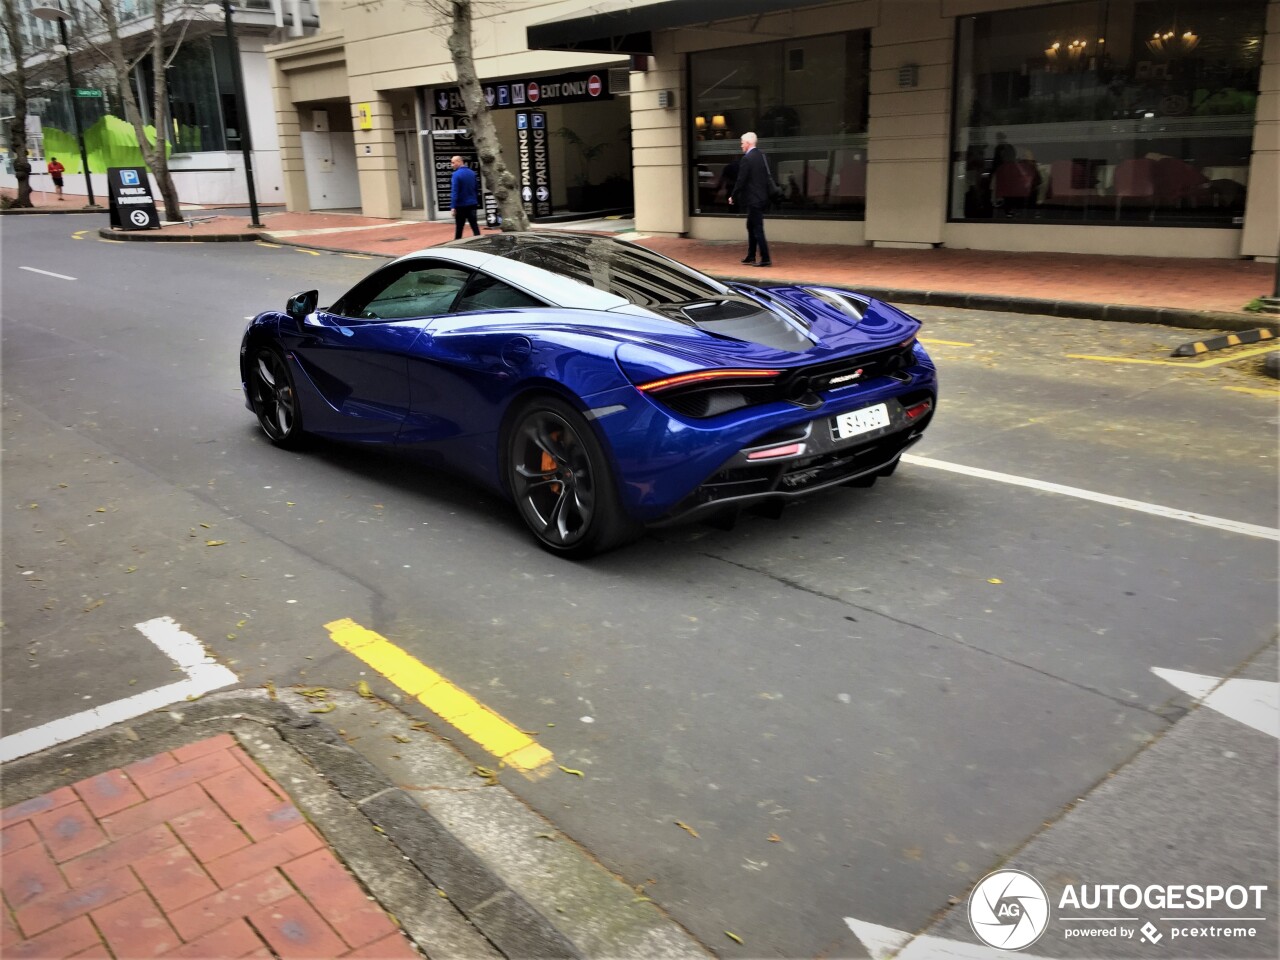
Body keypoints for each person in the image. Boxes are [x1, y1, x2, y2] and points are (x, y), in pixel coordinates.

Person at [727, 131, 771, 267]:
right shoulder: (762, 156)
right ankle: (751, 255)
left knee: (757, 228)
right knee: (751, 226)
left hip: (753, 199)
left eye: (742, 143)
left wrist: (733, 196)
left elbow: (741, 180)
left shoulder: (747, 159)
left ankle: (765, 258)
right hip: (762, 197)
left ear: (747, 143)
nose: (741, 145)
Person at [449, 155, 480, 239]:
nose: (452, 165)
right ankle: (479, 240)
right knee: (474, 226)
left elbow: (455, 191)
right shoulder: (472, 173)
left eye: (453, 163)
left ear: (459, 161)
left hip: (461, 205)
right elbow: (476, 188)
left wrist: (453, 206)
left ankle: (457, 243)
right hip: (472, 203)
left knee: (459, 227)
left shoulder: (456, 175)